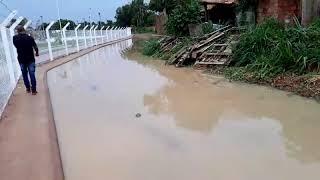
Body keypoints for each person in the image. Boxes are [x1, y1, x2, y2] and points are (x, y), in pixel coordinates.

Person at [13, 26, 39, 95]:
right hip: (30, 59)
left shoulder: (15, 38)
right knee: (32, 74)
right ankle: (34, 90)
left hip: (21, 59)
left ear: (17, 31)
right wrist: (37, 53)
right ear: (24, 30)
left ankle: (28, 88)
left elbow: (16, 46)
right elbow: (35, 46)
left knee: (24, 74)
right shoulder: (30, 38)